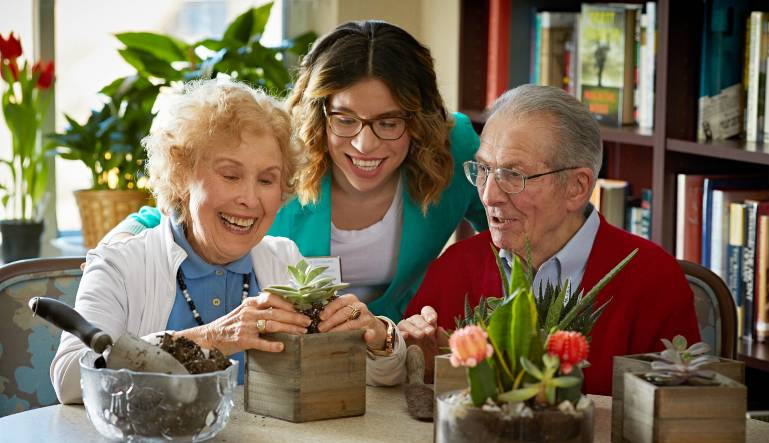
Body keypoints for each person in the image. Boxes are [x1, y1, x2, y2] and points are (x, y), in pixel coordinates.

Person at [51, 79, 405, 404]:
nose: (250, 199)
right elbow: (70, 378)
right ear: (181, 176)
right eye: (231, 175)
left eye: (267, 180)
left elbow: (364, 377)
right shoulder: (120, 264)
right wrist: (211, 337)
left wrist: (377, 337)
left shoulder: (285, 258)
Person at [108, 21, 487, 322]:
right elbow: (172, 214)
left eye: (388, 123)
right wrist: (106, 263)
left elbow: (513, 225)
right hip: (290, 359)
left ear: (419, 121)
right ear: (319, 114)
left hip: (392, 357)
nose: (364, 145)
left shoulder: (452, 150)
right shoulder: (278, 159)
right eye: (345, 119)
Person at [397, 84, 700, 396]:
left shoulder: (654, 281)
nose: (489, 195)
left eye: (513, 174)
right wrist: (420, 364)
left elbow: (681, 417)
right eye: (484, 169)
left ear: (577, 187)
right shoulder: (454, 268)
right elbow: (413, 398)